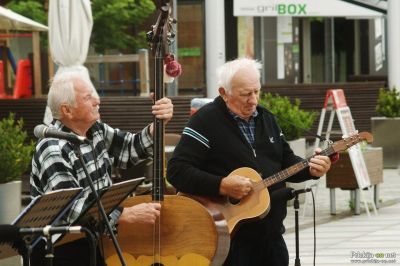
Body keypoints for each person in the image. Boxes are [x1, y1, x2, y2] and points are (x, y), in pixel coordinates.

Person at [167, 58, 332, 266]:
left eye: (257, 91)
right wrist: (222, 185)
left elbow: (287, 162)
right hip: (229, 238)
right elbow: (176, 171)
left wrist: (313, 170)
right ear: (223, 93)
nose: (253, 100)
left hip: (271, 236)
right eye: (245, 94)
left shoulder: (267, 118)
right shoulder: (204, 121)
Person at [30, 68, 173, 266]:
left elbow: (129, 149)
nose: (97, 101)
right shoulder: (52, 147)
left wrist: (158, 124)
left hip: (93, 239)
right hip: (59, 249)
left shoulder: (95, 130)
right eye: (88, 97)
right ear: (67, 110)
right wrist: (126, 214)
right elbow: (73, 209)